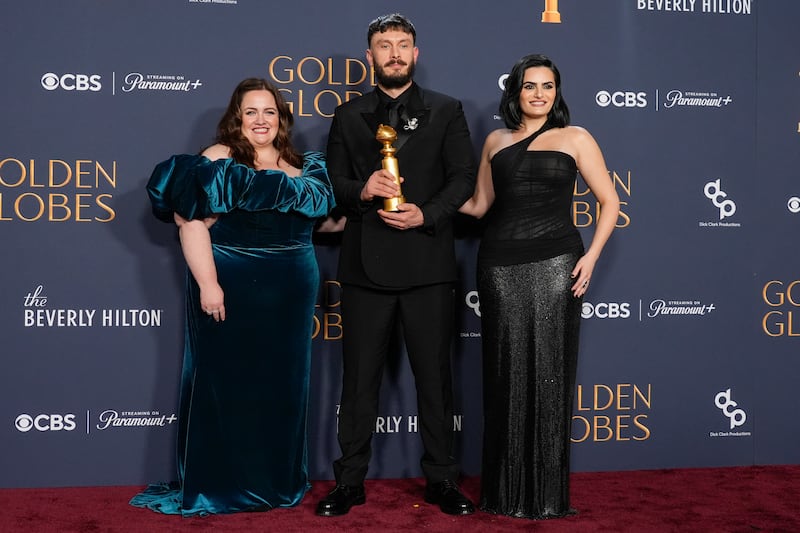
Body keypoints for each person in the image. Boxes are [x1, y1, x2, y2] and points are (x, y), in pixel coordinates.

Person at [130, 78, 335, 516]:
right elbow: (190, 223)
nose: (261, 120)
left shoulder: (304, 164)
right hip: (233, 287)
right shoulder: (219, 158)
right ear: (236, 118)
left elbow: (323, 224)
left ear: (281, 118)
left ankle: (275, 482)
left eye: (269, 112)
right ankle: (221, 486)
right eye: (251, 112)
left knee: (282, 389)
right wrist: (209, 283)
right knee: (227, 385)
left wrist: (375, 201)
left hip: (293, 292)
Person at [315, 13, 477, 517]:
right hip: (365, 268)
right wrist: (362, 190)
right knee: (358, 381)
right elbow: (333, 183)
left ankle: (442, 482)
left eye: (402, 44)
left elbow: (463, 179)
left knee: (435, 381)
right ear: (370, 55)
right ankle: (349, 483)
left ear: (416, 53)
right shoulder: (347, 115)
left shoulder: (448, 110)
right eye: (384, 45)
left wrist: (426, 213)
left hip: (429, 265)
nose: (394, 53)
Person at [459, 54, 620, 519]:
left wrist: (591, 257)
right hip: (499, 266)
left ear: (557, 91)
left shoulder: (577, 137)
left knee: (549, 373)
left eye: (547, 86)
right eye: (530, 86)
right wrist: (422, 202)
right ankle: (505, 494)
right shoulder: (495, 140)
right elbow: (478, 205)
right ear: (516, 93)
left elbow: (609, 201)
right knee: (505, 373)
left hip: (557, 262)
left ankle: (546, 496)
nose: (539, 94)